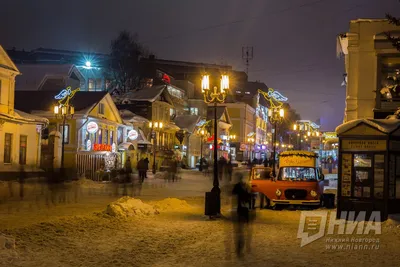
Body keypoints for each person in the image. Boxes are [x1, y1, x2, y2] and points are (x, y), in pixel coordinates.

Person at [232, 172, 254, 258]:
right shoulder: (243, 187)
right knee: (242, 231)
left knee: (240, 231)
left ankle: (240, 248)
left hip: (241, 210)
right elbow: (250, 198)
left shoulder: (239, 187)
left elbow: (234, 197)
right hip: (243, 210)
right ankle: (240, 248)